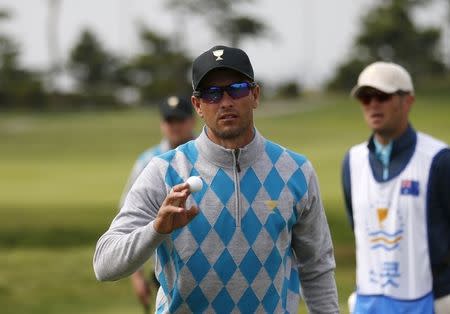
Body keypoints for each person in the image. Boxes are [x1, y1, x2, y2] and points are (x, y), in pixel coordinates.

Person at [94, 45, 338, 313]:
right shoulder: (164, 170)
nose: (226, 102)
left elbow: (317, 268)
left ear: (255, 95)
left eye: (237, 89)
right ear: (197, 105)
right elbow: (104, 264)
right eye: (212, 94)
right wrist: (156, 230)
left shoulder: (296, 171)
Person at [342, 61, 450, 313]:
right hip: (370, 302)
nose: (373, 104)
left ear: (408, 101)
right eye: (365, 98)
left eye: (382, 96)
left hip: (434, 301)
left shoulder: (439, 159)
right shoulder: (353, 160)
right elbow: (358, 227)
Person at [119, 95, 196, 311]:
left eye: (179, 120)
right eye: (169, 121)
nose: (174, 126)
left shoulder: (209, 154)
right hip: (163, 263)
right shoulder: (148, 161)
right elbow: (131, 220)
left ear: (192, 120)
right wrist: (136, 276)